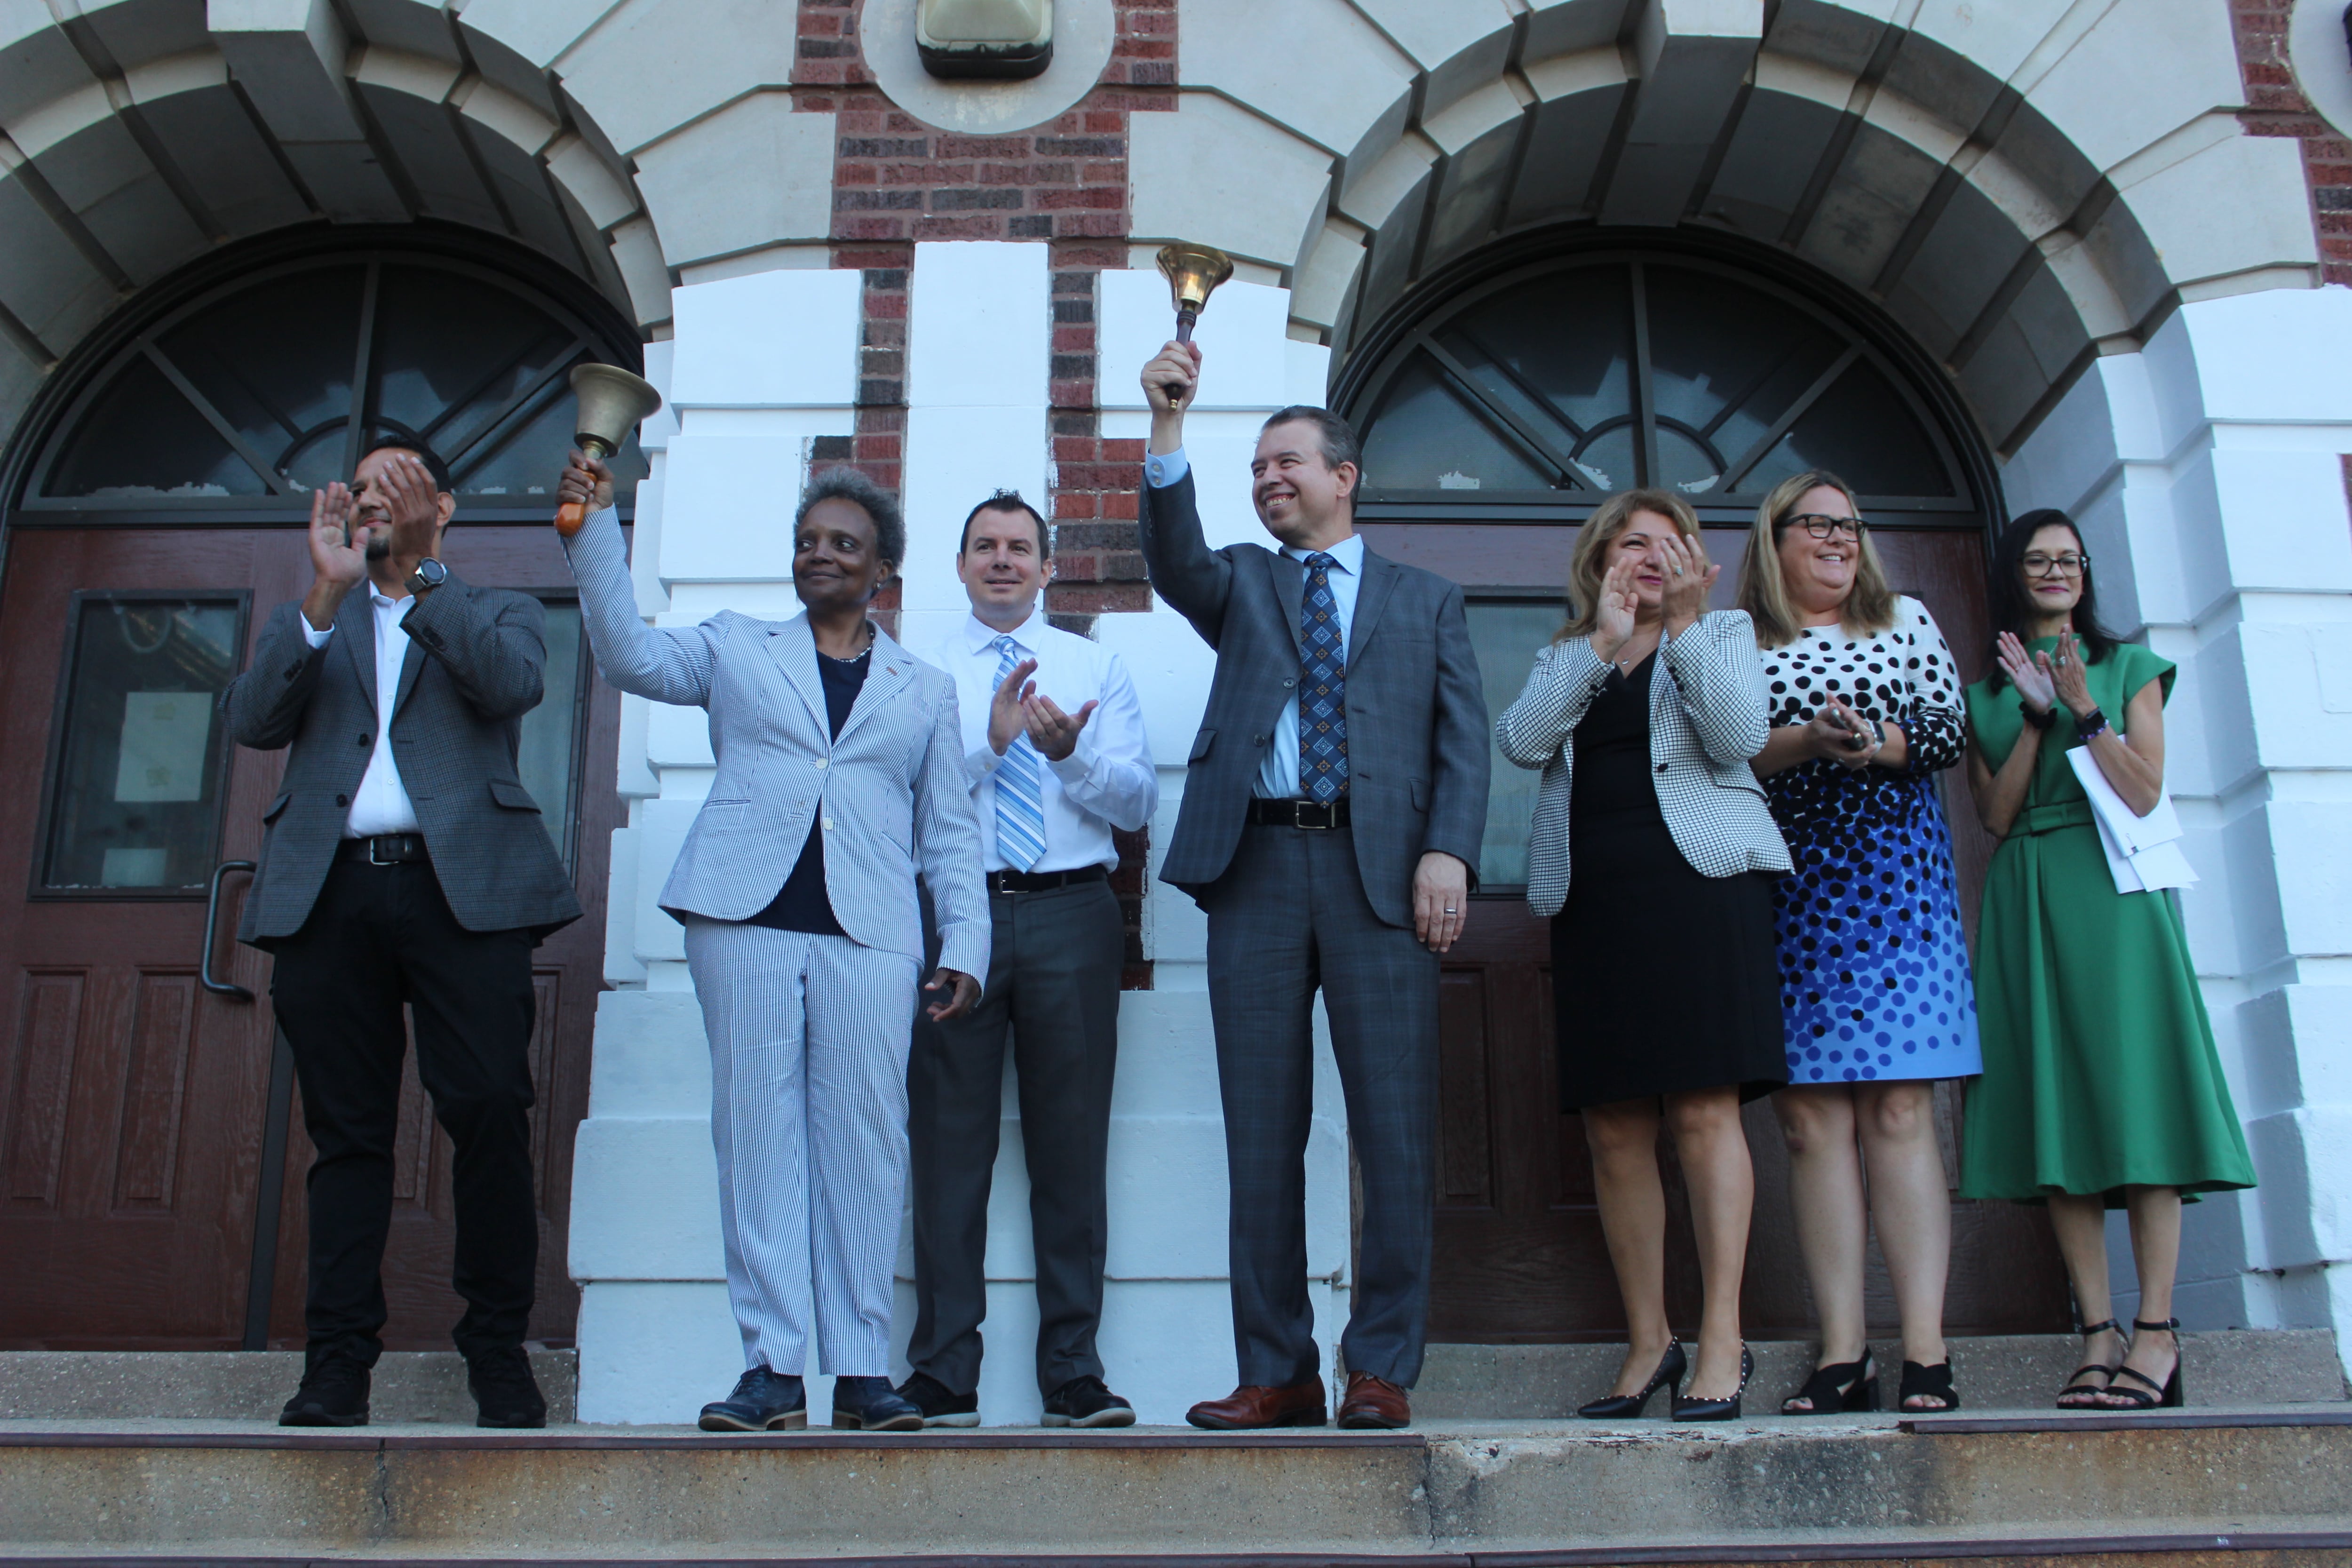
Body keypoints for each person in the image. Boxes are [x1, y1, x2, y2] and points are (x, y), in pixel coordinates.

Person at [554, 454, 988, 1434]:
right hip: (743, 918)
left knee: (866, 1145)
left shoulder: (923, 688)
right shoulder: (737, 646)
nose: (820, 554)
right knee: (757, 1139)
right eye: (808, 541)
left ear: (883, 570)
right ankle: (772, 1369)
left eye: (844, 543)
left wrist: (964, 936)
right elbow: (627, 655)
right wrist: (595, 527)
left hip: (873, 929)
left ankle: (865, 1369)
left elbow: (951, 826)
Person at [1136, 341, 1488, 1432]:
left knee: (1392, 1130)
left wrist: (1449, 851)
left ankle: (1378, 1365)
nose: (1268, 478)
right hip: (1256, 870)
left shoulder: (1426, 599)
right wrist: (1166, 430)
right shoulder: (1240, 581)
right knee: (1260, 1128)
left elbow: (1462, 742)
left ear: (1346, 476)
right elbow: (1172, 558)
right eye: (1256, 467)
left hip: (1382, 874)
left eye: (1287, 461)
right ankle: (1277, 1368)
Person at [223, 439, 581, 1430]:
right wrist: (328, 594)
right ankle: (337, 1362)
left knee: (489, 1113)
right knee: (347, 1138)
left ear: (442, 509)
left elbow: (511, 684)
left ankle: (497, 1351)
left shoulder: (490, 603)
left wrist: (419, 573)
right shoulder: (315, 616)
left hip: (461, 894)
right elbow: (252, 720)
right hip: (331, 896)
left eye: (400, 490)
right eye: (365, 490)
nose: (376, 504)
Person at [1495, 488, 1789, 1424]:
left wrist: (1685, 631)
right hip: (1597, 904)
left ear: (1697, 561)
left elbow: (1741, 738)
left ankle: (1722, 1337)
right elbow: (1522, 740)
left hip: (1702, 892)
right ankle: (1647, 1338)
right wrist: (1603, 641)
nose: (1655, 554)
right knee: (1614, 1126)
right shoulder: (1565, 654)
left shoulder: (1724, 630)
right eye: (1635, 542)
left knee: (1703, 1112)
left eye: (1673, 542)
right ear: (1600, 560)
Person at [1959, 509, 2254, 1411]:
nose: (2056, 572)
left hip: (2115, 888)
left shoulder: (2130, 666)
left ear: (2085, 573)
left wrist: (2084, 709)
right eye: (2039, 561)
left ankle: (2157, 1331)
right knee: (2059, 1115)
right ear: (2015, 575)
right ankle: (2097, 1331)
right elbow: (1996, 817)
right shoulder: (1990, 690)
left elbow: (2141, 790)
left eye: (2070, 560)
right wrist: (2040, 719)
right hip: (2031, 889)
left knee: (2138, 1104)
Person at [895, 491, 1158, 1429]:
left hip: (1071, 916)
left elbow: (1134, 805)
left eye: (1020, 548)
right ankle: (941, 1372)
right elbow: (899, 801)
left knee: (1071, 1150)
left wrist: (1071, 759)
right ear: (960, 566)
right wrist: (989, 744)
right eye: (985, 547)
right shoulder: (921, 673)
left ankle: (1073, 1372)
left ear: (1049, 568)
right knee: (948, 1147)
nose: (1002, 560)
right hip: (957, 915)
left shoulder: (1094, 664)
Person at [1735, 469, 1981, 1417]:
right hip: (1790, 898)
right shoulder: (1740, 638)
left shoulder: (1905, 618)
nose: (1839, 539)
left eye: (1850, 523)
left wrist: (1870, 740)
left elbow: (1947, 727)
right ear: (1778, 537)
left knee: (1898, 1113)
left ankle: (1924, 1347)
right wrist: (1806, 740)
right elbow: (1729, 746)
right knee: (1809, 1124)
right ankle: (1843, 1351)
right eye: (1818, 525)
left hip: (1899, 901)